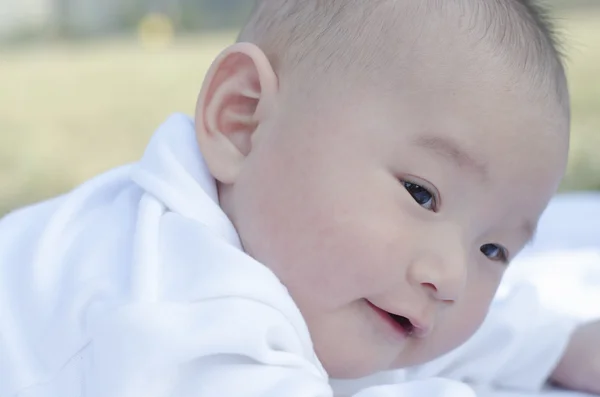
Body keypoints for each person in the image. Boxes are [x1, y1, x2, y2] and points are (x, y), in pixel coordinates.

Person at [2, 1, 599, 396]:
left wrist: (561, 346)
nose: (452, 278)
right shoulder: (180, 298)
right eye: (421, 193)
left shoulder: (331, 277)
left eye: (493, 249)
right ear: (244, 121)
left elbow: (445, 343)